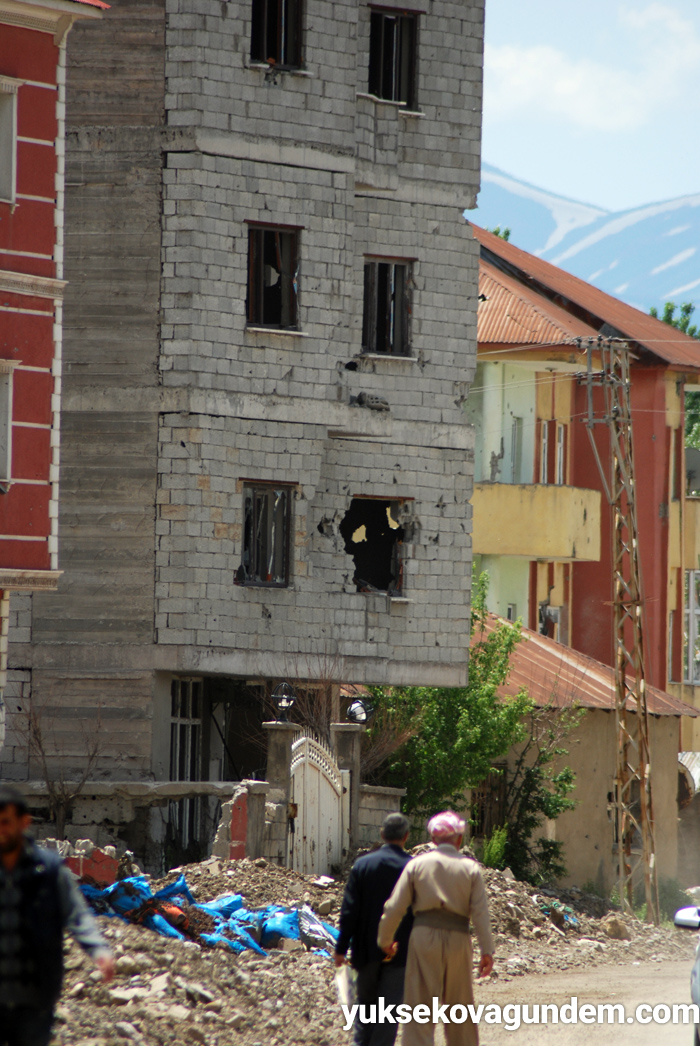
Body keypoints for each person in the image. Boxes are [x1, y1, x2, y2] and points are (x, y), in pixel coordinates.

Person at [0, 784, 115, 1046]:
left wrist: (98, 948)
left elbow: (76, 913)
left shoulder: (48, 870)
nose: (1, 830)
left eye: (6, 822)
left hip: (35, 999)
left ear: (24, 822)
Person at [377, 810, 494, 1046]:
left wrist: (385, 940)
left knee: (419, 1009)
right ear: (459, 840)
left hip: (423, 937)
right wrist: (486, 951)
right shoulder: (470, 869)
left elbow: (394, 906)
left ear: (433, 839)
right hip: (459, 939)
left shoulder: (417, 865)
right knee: (460, 1009)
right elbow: (480, 913)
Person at [334, 812, 414, 1046]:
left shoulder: (363, 865)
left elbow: (349, 911)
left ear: (381, 835)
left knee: (364, 1011)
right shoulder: (412, 868)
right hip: (399, 953)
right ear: (406, 837)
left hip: (365, 951)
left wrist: (341, 948)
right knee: (388, 1015)